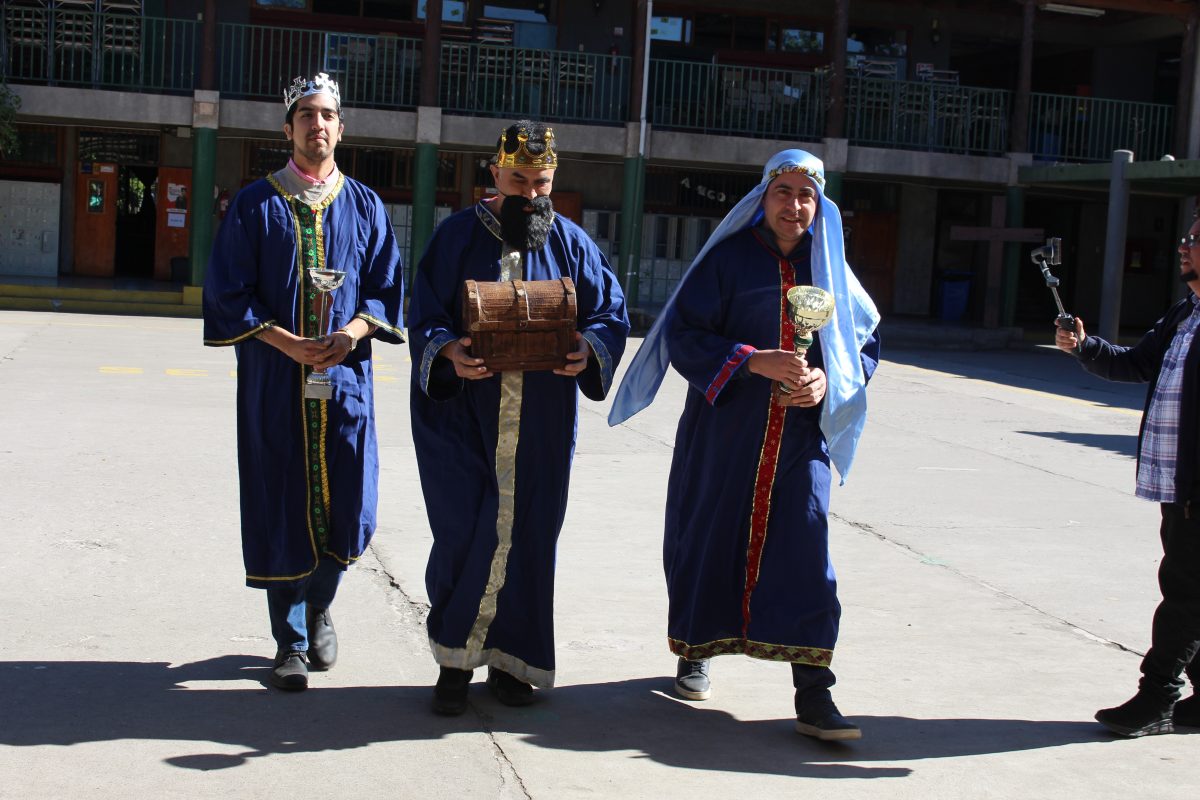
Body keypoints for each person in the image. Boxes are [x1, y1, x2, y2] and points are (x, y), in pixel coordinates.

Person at [608, 149, 880, 741]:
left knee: (806, 547)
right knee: (708, 538)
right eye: (784, 191)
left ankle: (814, 689)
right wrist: (755, 361)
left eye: (807, 195)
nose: (795, 205)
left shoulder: (829, 265)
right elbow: (686, 335)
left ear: (820, 205)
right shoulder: (726, 261)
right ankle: (696, 649)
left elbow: (863, 344)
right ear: (763, 196)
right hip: (726, 432)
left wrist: (827, 378)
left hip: (801, 439)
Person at [408, 120, 629, 715]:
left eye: (542, 183)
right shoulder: (454, 238)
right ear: (494, 174)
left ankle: (512, 664)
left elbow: (610, 313)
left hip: (541, 426)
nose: (530, 194)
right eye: (518, 181)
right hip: (464, 421)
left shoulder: (574, 244)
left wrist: (592, 348)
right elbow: (424, 314)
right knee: (465, 532)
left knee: (531, 537)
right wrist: (447, 351)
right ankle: (455, 662)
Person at [203, 73, 405, 691]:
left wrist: (352, 333)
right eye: (306, 115)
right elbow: (227, 294)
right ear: (288, 128)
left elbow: (386, 289)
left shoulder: (366, 206)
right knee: (282, 499)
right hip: (275, 385)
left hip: (344, 384)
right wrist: (287, 343)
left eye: (327, 116)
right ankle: (288, 638)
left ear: (341, 129)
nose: (317, 125)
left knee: (347, 502)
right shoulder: (254, 205)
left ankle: (321, 606)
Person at [1054, 217, 1200, 737]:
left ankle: (1157, 696)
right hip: (1177, 481)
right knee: (1190, 586)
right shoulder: (1187, 314)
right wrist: (1085, 346)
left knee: (1185, 591)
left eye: (1196, 240)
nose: (1184, 246)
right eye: (1185, 237)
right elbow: (1137, 364)